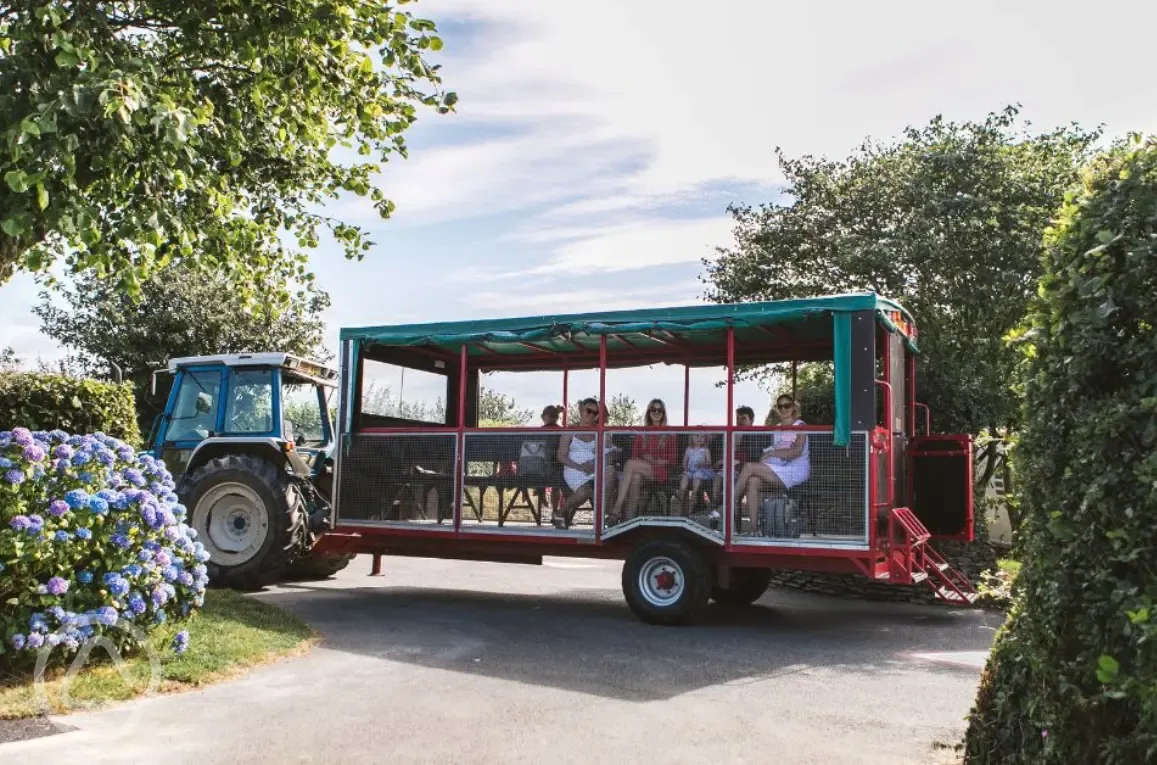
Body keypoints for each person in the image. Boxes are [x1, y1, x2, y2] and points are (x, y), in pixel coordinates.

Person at [734, 394, 810, 534]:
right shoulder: (777, 429)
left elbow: (796, 451)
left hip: (795, 470)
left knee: (749, 467)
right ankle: (754, 529)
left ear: (793, 407)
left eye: (787, 405)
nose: (783, 409)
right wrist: (767, 456)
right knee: (752, 481)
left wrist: (773, 454)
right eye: (780, 406)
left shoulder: (800, 425)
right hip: (778, 469)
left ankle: (732, 501)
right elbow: (774, 450)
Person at [607, 398, 676, 523]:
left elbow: (672, 460)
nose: (656, 412)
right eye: (653, 409)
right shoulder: (642, 432)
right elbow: (635, 455)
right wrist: (643, 461)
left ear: (663, 413)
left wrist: (653, 461)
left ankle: (616, 508)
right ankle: (629, 520)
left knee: (629, 464)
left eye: (659, 410)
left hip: (660, 472)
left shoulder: (669, 433)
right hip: (641, 469)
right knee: (636, 477)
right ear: (648, 412)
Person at [554, 398, 617, 528]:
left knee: (610, 471)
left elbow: (611, 452)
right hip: (574, 469)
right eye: (589, 411)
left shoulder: (600, 431)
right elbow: (561, 456)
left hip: (595, 468)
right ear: (582, 410)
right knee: (584, 493)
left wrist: (595, 464)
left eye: (595, 413)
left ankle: (601, 517)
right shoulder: (571, 430)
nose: (591, 415)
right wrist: (580, 467)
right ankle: (560, 513)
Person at [675, 431, 714, 515]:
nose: (699, 438)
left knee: (697, 476)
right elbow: (685, 461)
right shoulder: (688, 449)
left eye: (702, 437)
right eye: (697, 436)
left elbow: (709, 462)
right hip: (690, 470)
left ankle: (693, 497)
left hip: (702, 470)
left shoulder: (705, 450)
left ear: (705, 439)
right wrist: (685, 468)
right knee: (685, 477)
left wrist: (702, 464)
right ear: (691, 437)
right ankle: (680, 498)